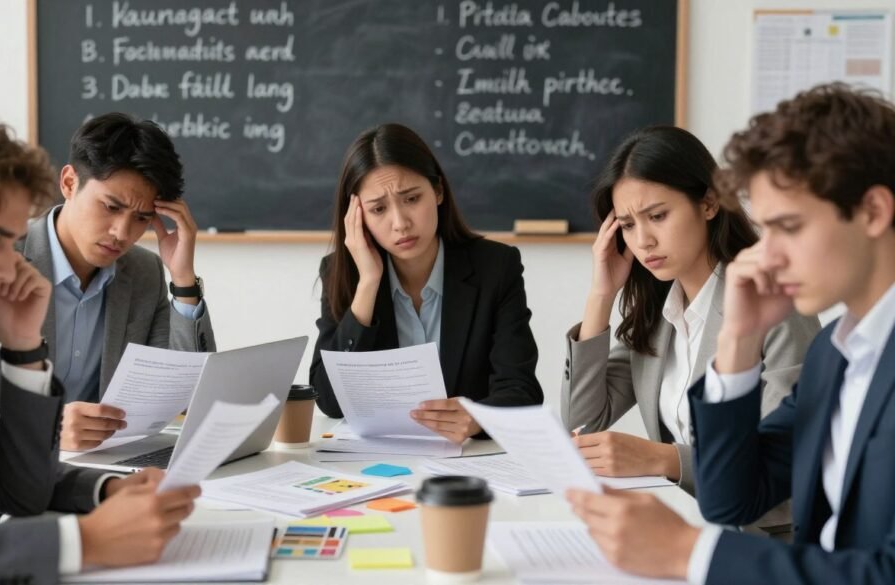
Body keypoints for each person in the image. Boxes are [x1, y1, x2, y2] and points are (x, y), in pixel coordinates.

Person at [567, 83, 895, 584]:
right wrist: (738, 342)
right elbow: (733, 497)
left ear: (873, 211)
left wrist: (688, 553)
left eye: (789, 226)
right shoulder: (837, 353)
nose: (768, 253)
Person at [0, 109, 199, 583]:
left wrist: (24, 349)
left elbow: (15, 487)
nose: (10, 269)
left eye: (12, 242)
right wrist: (85, 542)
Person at [561, 126, 819, 505]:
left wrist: (662, 458)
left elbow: (785, 455)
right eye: (628, 225)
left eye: (658, 215)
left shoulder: (772, 304)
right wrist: (601, 295)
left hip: (763, 534)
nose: (643, 240)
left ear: (709, 203)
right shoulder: (655, 316)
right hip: (677, 517)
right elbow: (582, 424)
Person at [0, 112, 215, 451]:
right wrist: (43, 428)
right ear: (69, 183)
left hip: (94, 473)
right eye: (111, 206)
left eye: (142, 218)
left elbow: (183, 395)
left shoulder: (145, 273)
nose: (122, 233)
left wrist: (183, 280)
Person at [310, 123, 543, 445]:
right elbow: (328, 400)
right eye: (378, 209)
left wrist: (477, 418)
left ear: (438, 191)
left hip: (472, 462)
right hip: (379, 466)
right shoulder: (342, 273)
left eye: (411, 199)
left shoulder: (495, 267)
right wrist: (368, 284)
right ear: (357, 217)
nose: (400, 223)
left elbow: (522, 392)